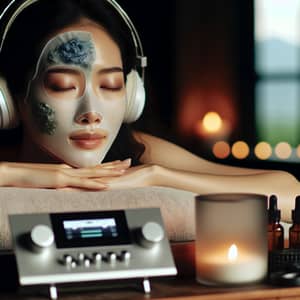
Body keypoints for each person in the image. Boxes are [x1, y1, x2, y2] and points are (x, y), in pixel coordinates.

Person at [0, 0, 298, 221]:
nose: (91, 112)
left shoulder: (139, 152)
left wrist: (157, 176)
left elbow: (291, 194)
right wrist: (28, 176)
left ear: (132, 95)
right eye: (63, 86)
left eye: (112, 85)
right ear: (10, 98)